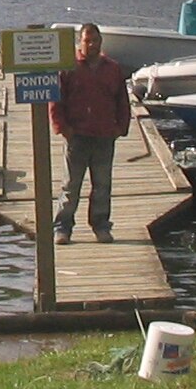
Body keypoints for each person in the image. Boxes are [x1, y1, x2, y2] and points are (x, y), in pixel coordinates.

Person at [50, 22, 131, 245]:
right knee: (70, 186)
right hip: (77, 135)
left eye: (95, 40)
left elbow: (122, 102)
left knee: (102, 185)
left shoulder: (112, 68)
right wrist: (63, 128)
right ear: (80, 42)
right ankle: (62, 228)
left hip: (104, 135)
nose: (92, 44)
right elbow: (56, 100)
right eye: (87, 40)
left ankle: (101, 226)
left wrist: (120, 128)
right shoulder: (68, 67)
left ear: (101, 42)